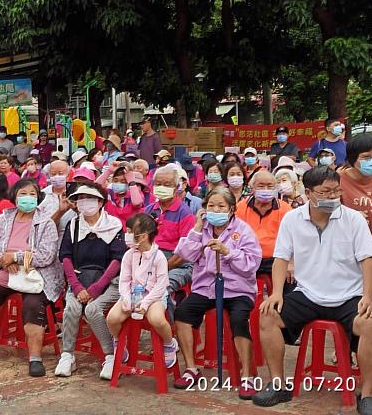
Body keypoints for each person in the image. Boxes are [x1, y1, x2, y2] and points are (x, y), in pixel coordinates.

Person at [253, 167, 372, 414]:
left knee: (368, 323)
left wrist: (367, 296)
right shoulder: (292, 219)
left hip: (348, 295)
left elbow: (368, 261)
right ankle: (278, 384)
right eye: (325, 192)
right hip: (308, 293)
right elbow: (280, 258)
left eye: (336, 191)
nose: (333, 197)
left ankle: (366, 395)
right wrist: (278, 292)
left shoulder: (353, 219)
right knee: (268, 315)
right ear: (309, 193)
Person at [0, 179, 64, 376]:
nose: (28, 198)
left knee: (33, 306)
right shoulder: (4, 219)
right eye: (23, 194)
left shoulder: (46, 223)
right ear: (14, 197)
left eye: (32, 194)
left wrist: (16, 257)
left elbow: (46, 255)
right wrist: (4, 260)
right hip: (5, 272)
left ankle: (35, 358)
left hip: (35, 276)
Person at [173, 187, 261, 398]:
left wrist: (228, 252)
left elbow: (251, 264)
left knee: (239, 319)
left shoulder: (243, 230)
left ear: (231, 209)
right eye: (211, 205)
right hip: (205, 287)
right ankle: (191, 368)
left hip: (237, 289)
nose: (216, 210)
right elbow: (184, 254)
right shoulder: (202, 229)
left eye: (221, 206)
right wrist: (196, 227)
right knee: (183, 313)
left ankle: (247, 376)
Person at [56, 183, 126, 379]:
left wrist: (95, 289)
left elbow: (117, 261)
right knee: (72, 308)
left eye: (90, 198)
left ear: (101, 202)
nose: (84, 203)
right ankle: (67, 355)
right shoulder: (74, 225)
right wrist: (77, 287)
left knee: (92, 310)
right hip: (80, 279)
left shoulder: (114, 225)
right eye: (81, 199)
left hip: (108, 282)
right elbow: (66, 257)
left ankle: (111, 355)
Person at [107, 214, 177, 375]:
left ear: (144, 236)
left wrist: (145, 304)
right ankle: (119, 341)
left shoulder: (159, 257)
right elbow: (124, 280)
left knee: (157, 319)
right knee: (112, 318)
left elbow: (161, 286)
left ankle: (169, 343)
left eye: (131, 232)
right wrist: (125, 298)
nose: (127, 235)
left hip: (154, 296)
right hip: (132, 294)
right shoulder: (129, 255)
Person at [339, 134, 372, 304]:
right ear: (352, 159)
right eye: (366, 157)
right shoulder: (338, 181)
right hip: (357, 261)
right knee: (367, 306)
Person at [144, 166, 196, 301]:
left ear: (176, 187)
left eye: (167, 184)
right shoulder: (148, 210)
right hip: (150, 260)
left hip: (178, 263)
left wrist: (160, 268)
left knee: (161, 289)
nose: (162, 187)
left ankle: (167, 322)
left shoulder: (185, 213)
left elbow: (184, 253)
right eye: (158, 184)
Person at [234, 170, 291, 276]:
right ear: (252, 188)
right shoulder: (240, 207)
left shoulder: (285, 209)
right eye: (261, 186)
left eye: (270, 186)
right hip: (247, 258)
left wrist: (291, 262)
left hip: (276, 259)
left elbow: (293, 239)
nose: (266, 190)